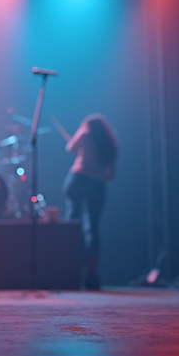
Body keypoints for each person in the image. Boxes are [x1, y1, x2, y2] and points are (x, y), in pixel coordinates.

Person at [63, 114, 118, 290]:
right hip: (97, 185)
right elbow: (111, 175)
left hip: (77, 180)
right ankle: (91, 272)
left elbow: (69, 148)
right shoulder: (110, 145)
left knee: (72, 224)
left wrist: (80, 132)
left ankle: (70, 268)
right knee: (92, 228)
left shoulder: (84, 135)